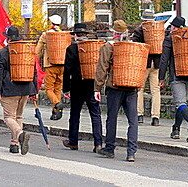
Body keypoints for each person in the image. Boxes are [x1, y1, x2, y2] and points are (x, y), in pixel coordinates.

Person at [94, 20, 138, 162]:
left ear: (113, 31)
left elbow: (102, 68)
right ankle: (131, 152)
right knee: (133, 120)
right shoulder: (133, 46)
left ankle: (110, 149)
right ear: (126, 32)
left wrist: (97, 88)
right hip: (131, 87)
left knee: (112, 118)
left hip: (115, 87)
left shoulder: (109, 46)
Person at [159, 16, 188, 142]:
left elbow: (164, 60)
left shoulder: (170, 39)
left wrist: (161, 77)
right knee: (181, 102)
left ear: (173, 27)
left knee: (180, 103)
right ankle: (176, 129)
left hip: (176, 76)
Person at [0, 26, 37, 155]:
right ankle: (14, 144)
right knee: (19, 116)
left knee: (8, 117)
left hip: (9, 87)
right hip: (25, 87)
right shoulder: (27, 51)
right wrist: (34, 89)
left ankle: (20, 134)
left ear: (8, 38)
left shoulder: (2, 52)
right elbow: (33, 70)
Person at [62, 23, 103, 152]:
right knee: (95, 114)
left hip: (77, 85)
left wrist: (66, 88)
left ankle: (73, 141)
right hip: (92, 85)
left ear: (75, 35)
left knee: (75, 114)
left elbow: (67, 70)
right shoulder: (95, 48)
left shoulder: (72, 48)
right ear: (86, 35)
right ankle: (98, 143)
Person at [132, 9, 161, 126]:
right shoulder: (159, 30)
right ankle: (155, 117)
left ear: (143, 19)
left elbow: (135, 45)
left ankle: (139, 115)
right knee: (156, 90)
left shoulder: (139, 30)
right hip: (157, 63)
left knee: (140, 88)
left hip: (144, 62)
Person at [36, 14, 65, 120]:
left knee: (49, 89)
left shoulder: (46, 34)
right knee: (57, 88)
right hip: (62, 65)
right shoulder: (63, 35)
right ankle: (56, 112)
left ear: (51, 23)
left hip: (50, 65)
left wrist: (35, 59)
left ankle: (57, 103)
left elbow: (38, 50)